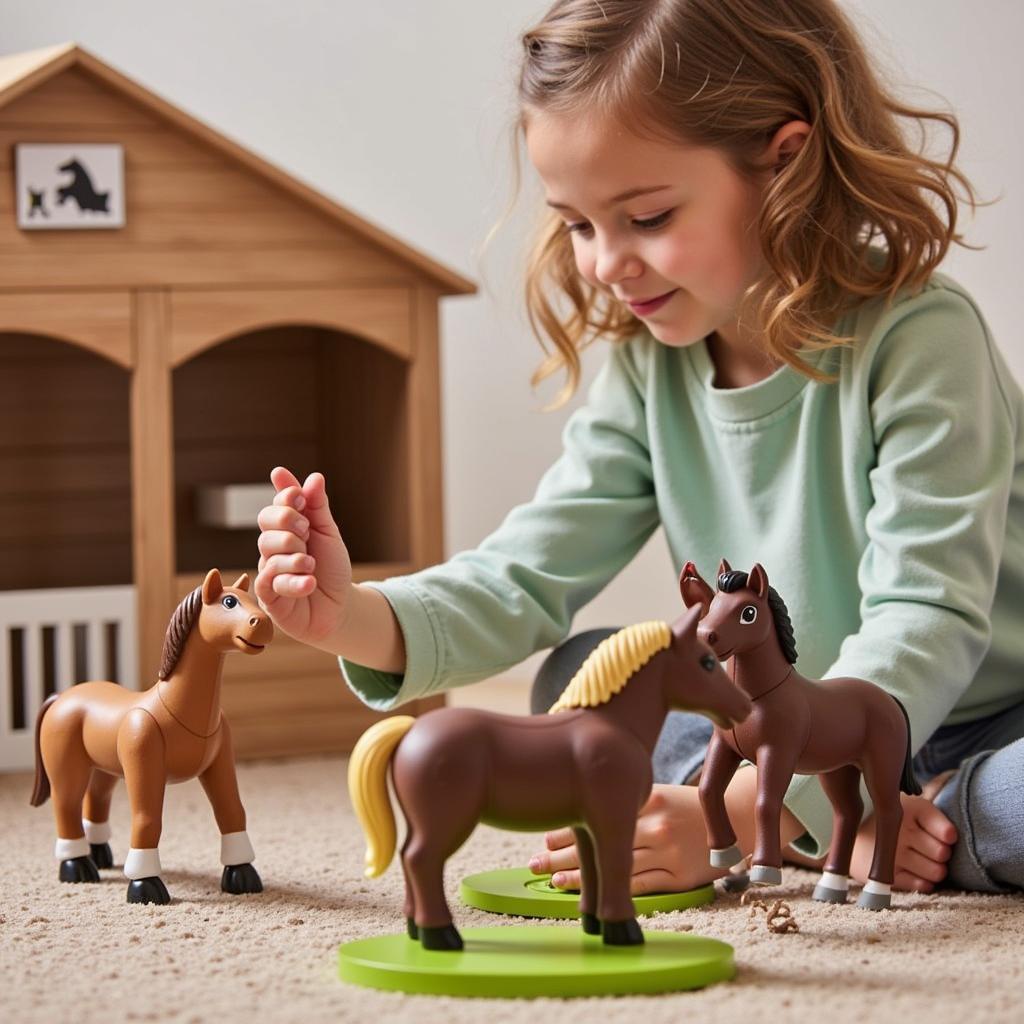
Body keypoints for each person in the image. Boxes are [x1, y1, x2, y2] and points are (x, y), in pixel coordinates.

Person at [255, 0, 1024, 898]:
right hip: (772, 727)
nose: (604, 264)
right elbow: (524, 577)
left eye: (647, 216)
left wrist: (735, 815)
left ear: (786, 167)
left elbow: (926, 617)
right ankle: (838, 821)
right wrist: (350, 615)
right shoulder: (645, 368)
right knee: (582, 673)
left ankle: (931, 819)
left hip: (980, 717)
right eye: (580, 224)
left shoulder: (922, 339)